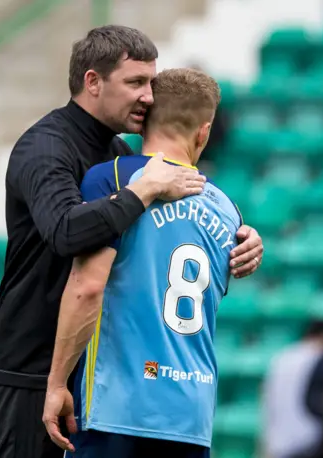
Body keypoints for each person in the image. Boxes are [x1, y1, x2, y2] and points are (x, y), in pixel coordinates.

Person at [0, 26, 264, 458]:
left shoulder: (118, 156)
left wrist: (243, 236)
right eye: (135, 83)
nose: (149, 97)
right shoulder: (45, 147)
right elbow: (65, 232)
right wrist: (142, 193)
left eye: (151, 84)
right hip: (32, 367)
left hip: (96, 377)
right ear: (93, 82)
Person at [42, 67, 239, 457]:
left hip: (117, 404)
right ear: (204, 132)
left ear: (143, 119)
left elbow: (89, 286)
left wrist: (57, 383)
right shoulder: (227, 210)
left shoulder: (111, 178)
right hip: (190, 412)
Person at [263, 320, 323, 458]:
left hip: (278, 442)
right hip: (309, 440)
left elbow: (266, 401)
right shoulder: (320, 359)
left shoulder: (282, 357)